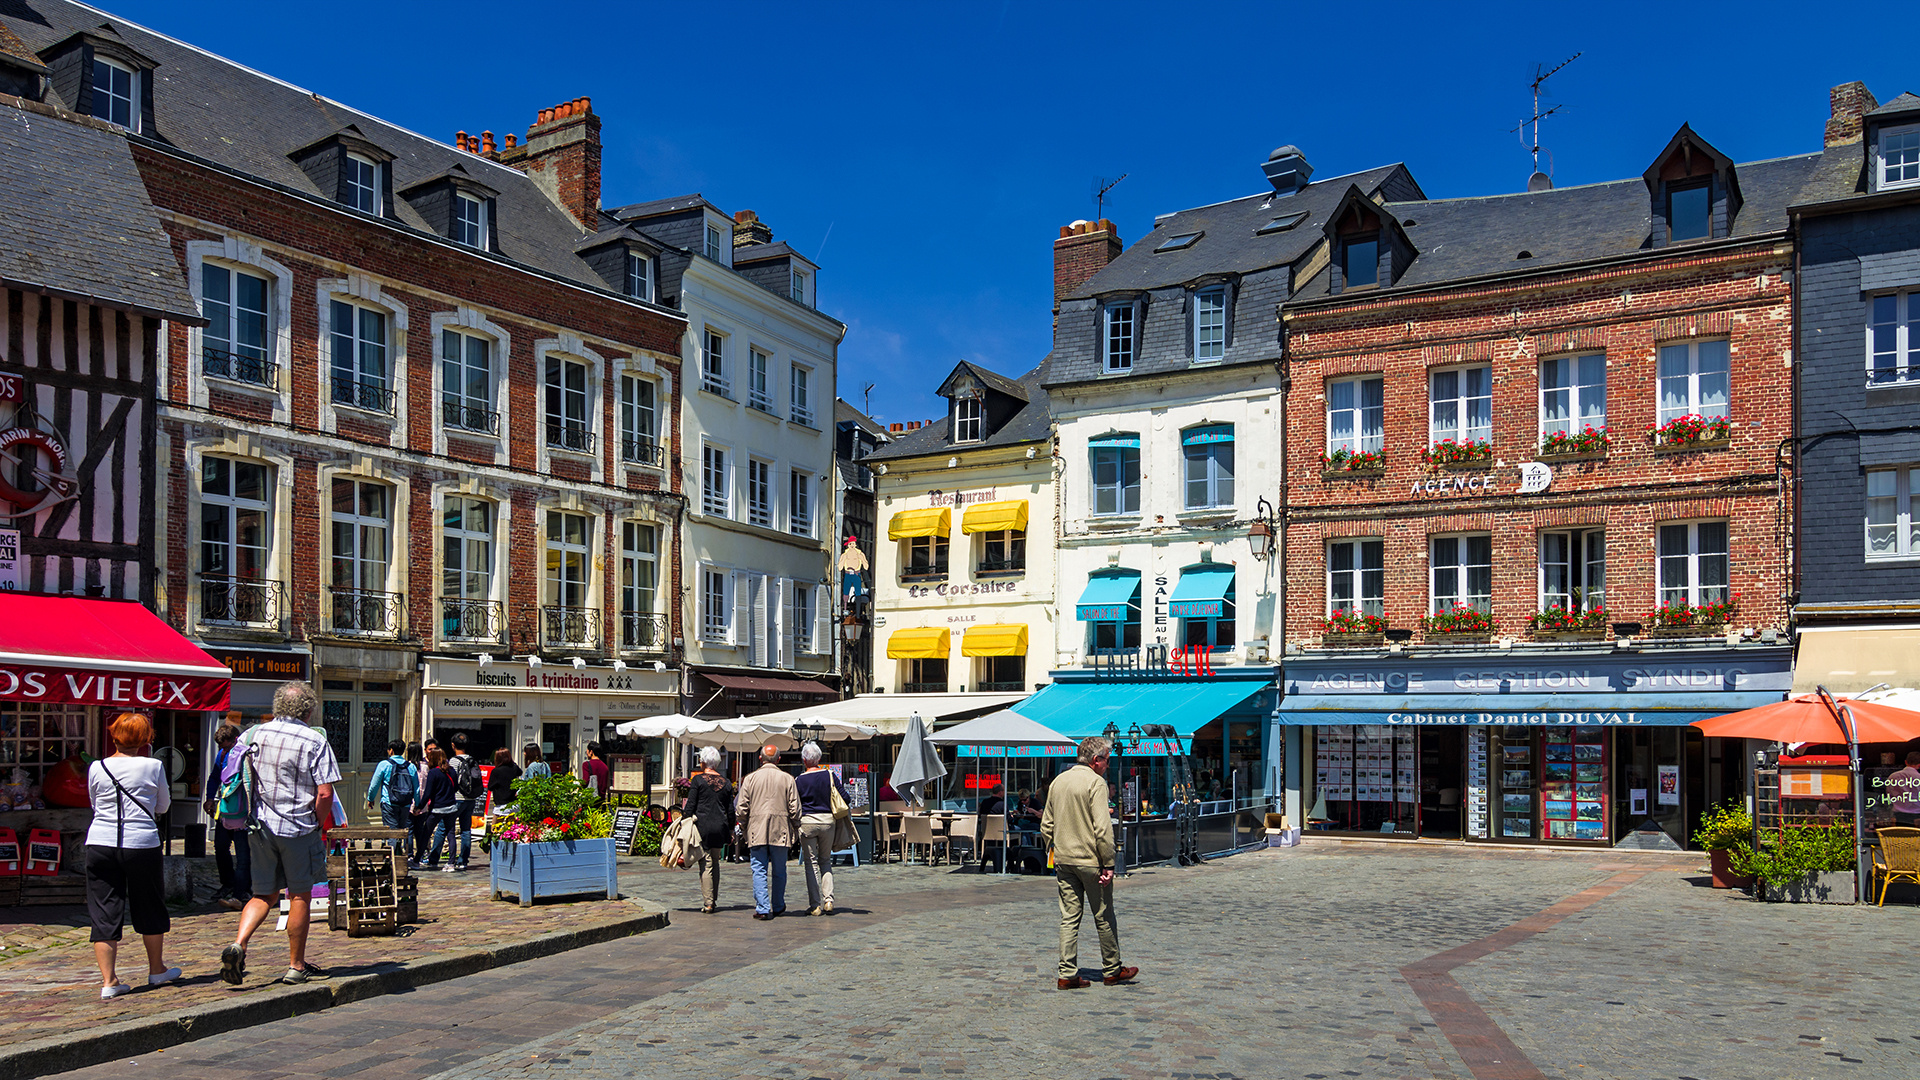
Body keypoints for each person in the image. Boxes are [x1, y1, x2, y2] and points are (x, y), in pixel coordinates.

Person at [221, 681, 340, 987]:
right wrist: (317, 823)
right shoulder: (313, 741)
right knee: (299, 893)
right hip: (298, 827)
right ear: (308, 709)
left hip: (259, 826)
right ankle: (296, 965)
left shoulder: (250, 735)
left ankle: (240, 944)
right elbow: (325, 793)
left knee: (264, 894)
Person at [86, 711, 181, 999]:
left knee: (103, 910)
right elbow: (163, 806)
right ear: (145, 739)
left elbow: (93, 803)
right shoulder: (153, 766)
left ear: (114, 735)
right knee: (149, 904)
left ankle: (109, 981)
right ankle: (156, 968)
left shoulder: (97, 766)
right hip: (141, 842)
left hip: (100, 842)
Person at [1041, 735, 1136, 990]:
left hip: (1064, 860)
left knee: (1069, 918)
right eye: (1107, 759)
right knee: (1103, 915)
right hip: (1091, 862)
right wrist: (1108, 863)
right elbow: (1103, 829)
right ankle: (1112, 969)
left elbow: (1046, 825)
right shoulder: (1096, 782)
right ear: (1096, 760)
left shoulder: (1059, 781)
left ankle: (1067, 973)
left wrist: (1055, 850)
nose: (1108, 764)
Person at [735, 743, 800, 920]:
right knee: (779, 869)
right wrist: (795, 825)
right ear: (779, 759)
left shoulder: (750, 779)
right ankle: (778, 905)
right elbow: (795, 808)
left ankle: (763, 908)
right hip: (781, 829)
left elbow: (741, 807)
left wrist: (743, 824)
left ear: (760, 758)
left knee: (759, 869)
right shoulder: (788, 779)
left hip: (757, 828)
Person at [794, 741, 851, 916]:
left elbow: (795, 804)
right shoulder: (830, 775)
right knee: (825, 860)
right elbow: (846, 798)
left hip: (808, 822)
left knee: (810, 863)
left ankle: (815, 905)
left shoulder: (799, 780)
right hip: (828, 822)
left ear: (804, 760)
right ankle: (829, 900)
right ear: (819, 758)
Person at [680, 746, 737, 914]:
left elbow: (691, 805)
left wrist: (684, 822)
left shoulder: (698, 781)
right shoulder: (726, 783)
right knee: (715, 862)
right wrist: (731, 830)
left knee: (706, 864)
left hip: (702, 826)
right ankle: (714, 898)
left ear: (703, 761)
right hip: (720, 826)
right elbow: (730, 810)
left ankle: (708, 903)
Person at [203, 722, 251, 911]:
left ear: (234, 741)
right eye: (220, 747)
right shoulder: (222, 754)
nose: (223, 750)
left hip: (242, 811)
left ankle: (242, 890)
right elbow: (214, 777)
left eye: (225, 746)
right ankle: (228, 882)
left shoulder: (243, 755)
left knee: (242, 853)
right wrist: (209, 798)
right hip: (225, 809)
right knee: (221, 847)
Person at [366, 739, 415, 858]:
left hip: (389, 802)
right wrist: (417, 803)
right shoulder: (411, 766)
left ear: (391, 750)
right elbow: (416, 788)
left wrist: (370, 798)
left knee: (392, 832)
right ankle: (404, 857)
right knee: (402, 831)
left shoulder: (384, 764)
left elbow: (374, 784)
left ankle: (394, 859)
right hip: (405, 804)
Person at [414, 748, 460, 872]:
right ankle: (451, 863)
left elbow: (428, 793)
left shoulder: (434, 773)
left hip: (437, 808)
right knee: (451, 835)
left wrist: (419, 807)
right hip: (451, 807)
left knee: (426, 834)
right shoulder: (451, 771)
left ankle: (417, 860)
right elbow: (456, 787)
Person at [445, 733, 480, 872]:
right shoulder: (472, 760)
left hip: (457, 798)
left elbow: (451, 781)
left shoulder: (454, 761)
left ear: (453, 746)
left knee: (449, 829)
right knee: (466, 830)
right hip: (470, 799)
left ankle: (449, 859)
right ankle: (463, 860)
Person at [404, 741, 434, 864]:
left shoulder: (407, 766)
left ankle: (409, 854)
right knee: (420, 831)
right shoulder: (426, 767)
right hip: (423, 803)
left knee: (409, 830)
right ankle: (421, 855)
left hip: (409, 802)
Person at [487, 747, 521, 815]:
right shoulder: (514, 768)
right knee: (513, 825)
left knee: (495, 825)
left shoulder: (496, 771)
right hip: (514, 803)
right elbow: (520, 772)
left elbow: (490, 787)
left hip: (501, 805)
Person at [1890, 750, 1920, 826]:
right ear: (1919, 765)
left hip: (1898, 814)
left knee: (1901, 835)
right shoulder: (1919, 777)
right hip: (1917, 813)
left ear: (1906, 762)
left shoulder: (1893, 776)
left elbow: (1889, 794)